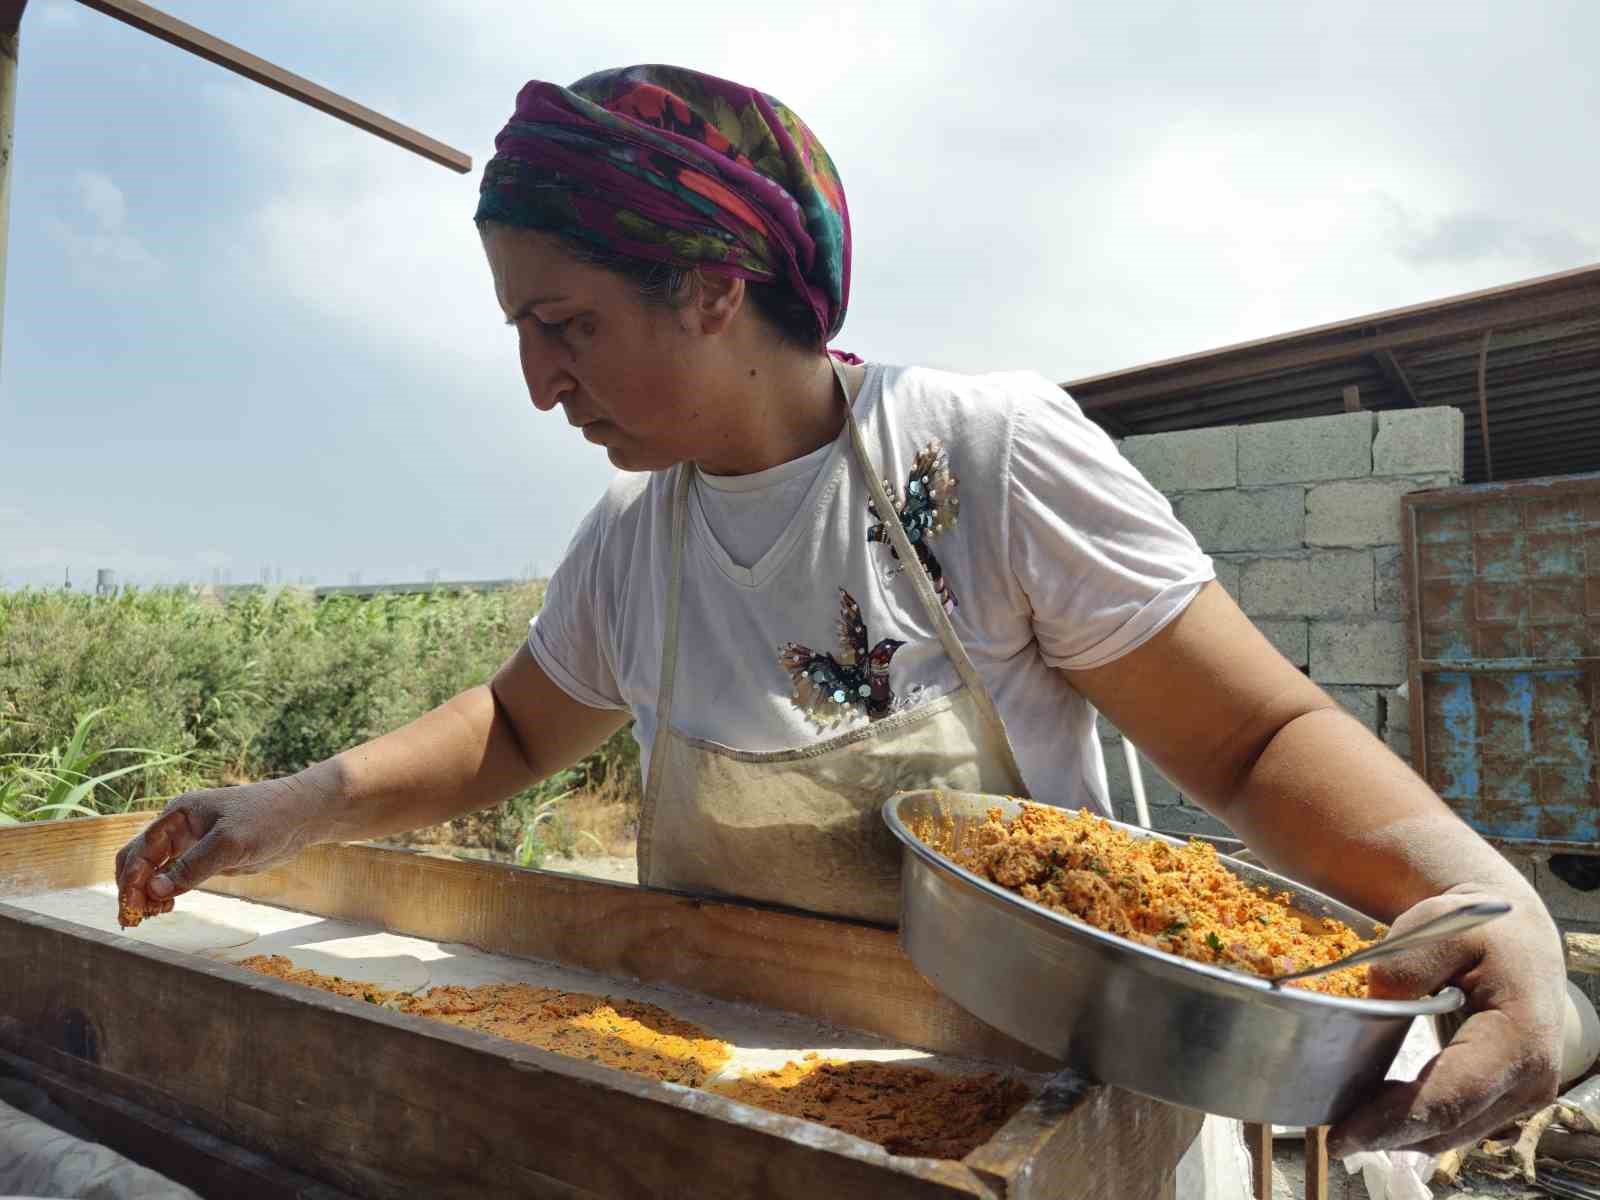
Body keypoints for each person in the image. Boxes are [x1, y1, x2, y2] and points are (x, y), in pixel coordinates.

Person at [116, 64, 1561, 1163]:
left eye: (566, 327)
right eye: (520, 336)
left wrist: (1497, 915)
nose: (540, 385)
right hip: (761, 1114)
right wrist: (289, 808)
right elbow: (509, 728)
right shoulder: (641, 538)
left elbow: (1250, 742)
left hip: (1029, 1131)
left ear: (710, 289)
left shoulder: (974, 466)